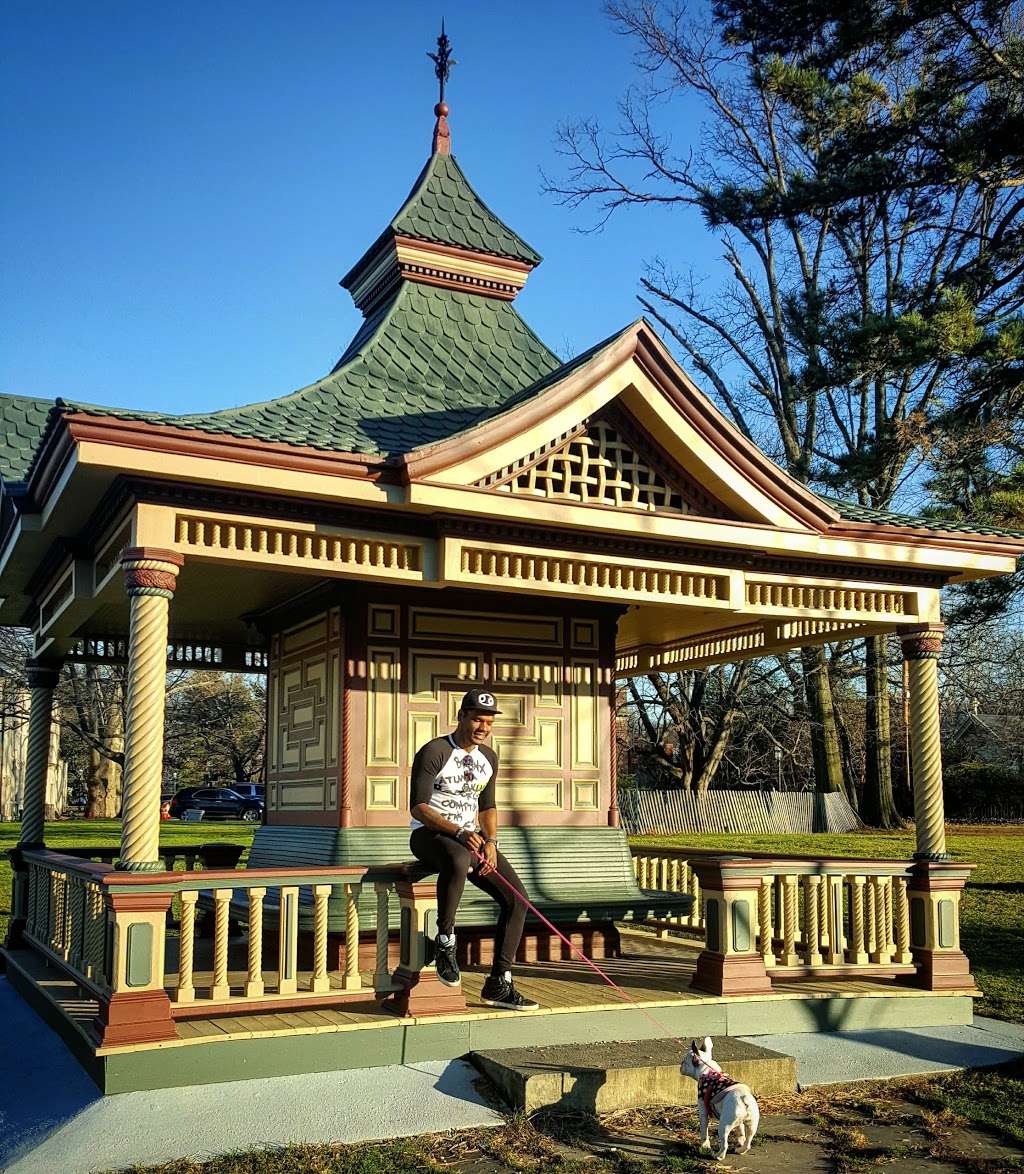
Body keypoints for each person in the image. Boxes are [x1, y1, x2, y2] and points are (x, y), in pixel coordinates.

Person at [409, 686, 539, 1011]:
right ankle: (445, 940)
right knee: (458, 856)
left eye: (489, 722)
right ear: (462, 716)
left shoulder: (489, 758)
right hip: (431, 835)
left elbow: (488, 807)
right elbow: (418, 807)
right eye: (478, 720)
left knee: (517, 899)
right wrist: (459, 832)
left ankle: (499, 982)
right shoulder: (434, 751)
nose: (483, 727)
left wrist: (491, 841)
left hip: (474, 838)